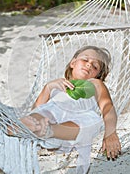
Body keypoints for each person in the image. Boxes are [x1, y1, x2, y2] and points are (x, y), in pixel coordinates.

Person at [20, 45, 121, 173]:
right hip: (52, 113)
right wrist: (48, 88)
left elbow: (107, 107)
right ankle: (21, 128)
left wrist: (110, 132)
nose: (89, 65)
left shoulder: (95, 84)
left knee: (83, 125)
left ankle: (48, 131)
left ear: (97, 75)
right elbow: (36, 108)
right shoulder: (58, 84)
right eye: (85, 60)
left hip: (78, 116)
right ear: (73, 63)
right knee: (41, 114)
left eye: (95, 66)